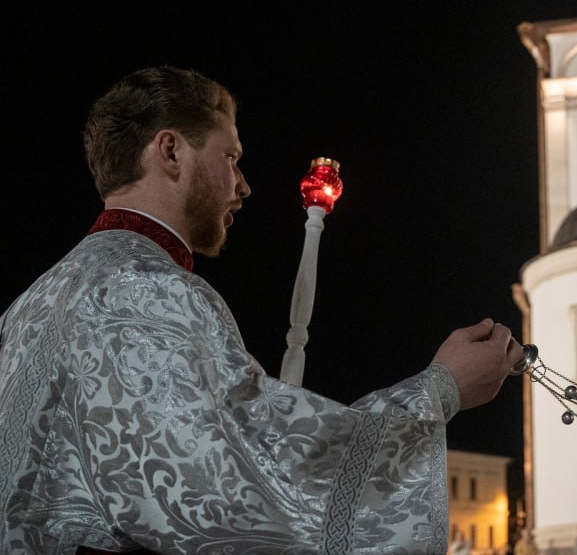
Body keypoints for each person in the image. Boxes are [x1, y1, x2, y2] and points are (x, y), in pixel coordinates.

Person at [0, 66, 524, 554]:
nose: (243, 185)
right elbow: (245, 484)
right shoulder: (148, 291)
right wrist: (440, 390)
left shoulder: (32, 302)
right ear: (170, 151)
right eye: (230, 158)